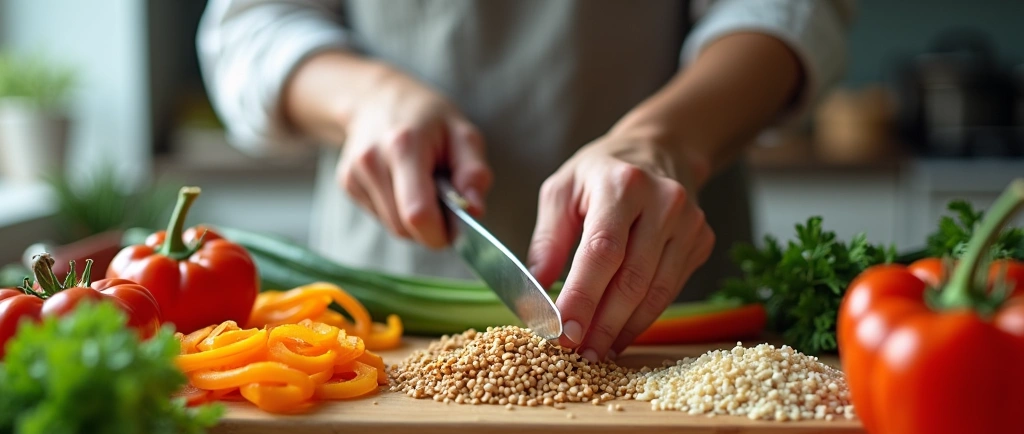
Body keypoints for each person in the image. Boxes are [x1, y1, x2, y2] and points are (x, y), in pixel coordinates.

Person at [197, 0, 854, 361]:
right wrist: (365, 100)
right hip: (385, 291)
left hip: (674, 289)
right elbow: (250, 24)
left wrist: (666, 141)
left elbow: (790, 10)